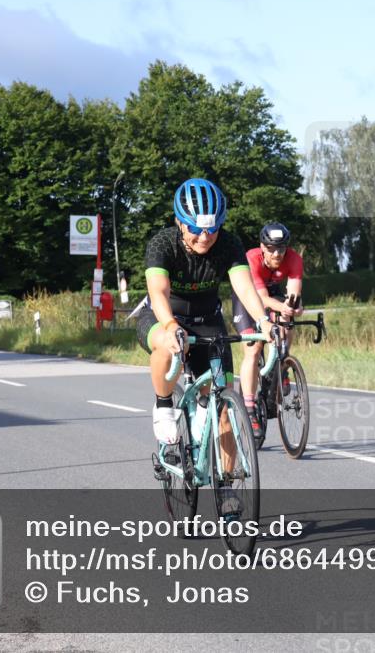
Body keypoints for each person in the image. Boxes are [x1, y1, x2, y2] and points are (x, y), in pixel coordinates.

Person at [135, 178, 275, 512]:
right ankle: (164, 405)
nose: (204, 238)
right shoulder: (162, 244)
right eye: (195, 230)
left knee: (223, 407)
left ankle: (226, 490)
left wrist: (264, 322)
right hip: (163, 316)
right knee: (168, 347)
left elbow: (243, 287)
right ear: (179, 222)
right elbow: (158, 292)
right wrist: (169, 326)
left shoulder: (228, 244)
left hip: (208, 320)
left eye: (211, 230)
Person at [230, 223, 304, 438]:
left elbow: (293, 293)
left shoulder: (294, 259)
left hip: (273, 292)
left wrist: (293, 307)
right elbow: (260, 299)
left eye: (281, 248)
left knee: (286, 323)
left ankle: (282, 365)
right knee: (253, 349)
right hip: (248, 296)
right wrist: (282, 307)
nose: (277, 253)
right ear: (262, 247)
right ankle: (250, 407)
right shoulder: (251, 258)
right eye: (271, 248)